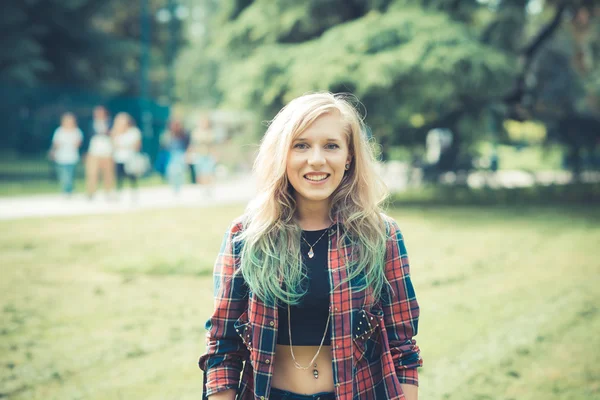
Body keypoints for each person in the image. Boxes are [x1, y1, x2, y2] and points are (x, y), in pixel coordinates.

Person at [199, 92, 422, 400]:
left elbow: (403, 350)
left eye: (331, 145)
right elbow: (222, 348)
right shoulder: (245, 236)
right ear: (283, 154)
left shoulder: (380, 235)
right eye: (301, 145)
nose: (316, 159)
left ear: (349, 156)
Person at [49, 112, 83, 196]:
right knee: (63, 174)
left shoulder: (76, 131)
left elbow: (79, 143)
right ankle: (66, 189)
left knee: (70, 174)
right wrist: (52, 151)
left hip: (72, 157)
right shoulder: (59, 131)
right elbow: (55, 143)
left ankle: (69, 189)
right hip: (61, 157)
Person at [85, 106, 115, 199]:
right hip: (94, 151)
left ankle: (108, 192)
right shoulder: (91, 124)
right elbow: (87, 138)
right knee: (92, 173)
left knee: (108, 173)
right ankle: (91, 192)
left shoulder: (111, 123)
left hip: (107, 151)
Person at [111, 112, 142, 197]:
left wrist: (124, 146)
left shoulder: (134, 131)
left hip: (130, 158)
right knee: (119, 176)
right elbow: (114, 144)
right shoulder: (115, 131)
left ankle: (134, 193)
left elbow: (137, 145)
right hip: (119, 158)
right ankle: (118, 193)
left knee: (132, 176)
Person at [161, 118, 190, 194]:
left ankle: (179, 188)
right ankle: (174, 188)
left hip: (180, 155)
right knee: (172, 172)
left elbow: (187, 146)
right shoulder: (167, 135)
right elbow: (164, 146)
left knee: (179, 172)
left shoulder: (184, 134)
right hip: (171, 156)